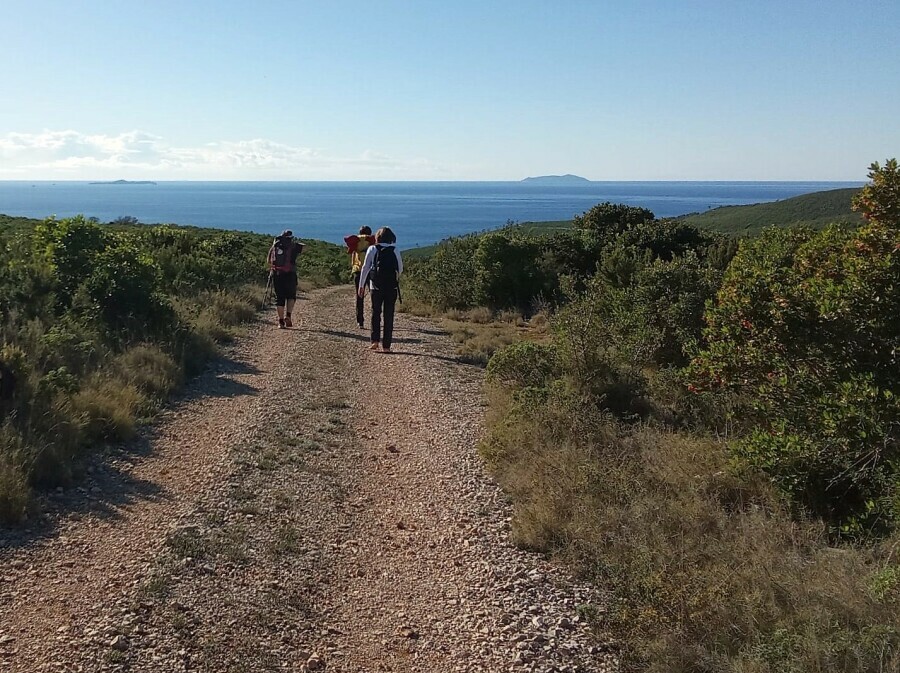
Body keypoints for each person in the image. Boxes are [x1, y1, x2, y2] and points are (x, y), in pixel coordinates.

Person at [357, 226, 403, 353]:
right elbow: (400, 269)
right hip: (391, 287)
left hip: (375, 286)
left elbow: (365, 268)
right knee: (389, 315)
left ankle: (375, 341)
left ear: (377, 237)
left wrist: (361, 286)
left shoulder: (372, 248)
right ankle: (387, 346)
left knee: (375, 313)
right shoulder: (395, 250)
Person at [267, 229, 303, 328]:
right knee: (291, 296)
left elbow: (268, 260)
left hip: (277, 274)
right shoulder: (294, 246)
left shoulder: (276, 246)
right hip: (290, 274)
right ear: (291, 238)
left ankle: (281, 322)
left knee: (280, 298)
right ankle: (288, 315)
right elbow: (307, 249)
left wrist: (273, 245)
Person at [343, 226, 377, 328]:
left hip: (358, 270)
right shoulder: (372, 240)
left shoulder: (355, 241)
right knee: (374, 295)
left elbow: (351, 253)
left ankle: (360, 321)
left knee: (359, 295)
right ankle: (375, 319)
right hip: (371, 271)